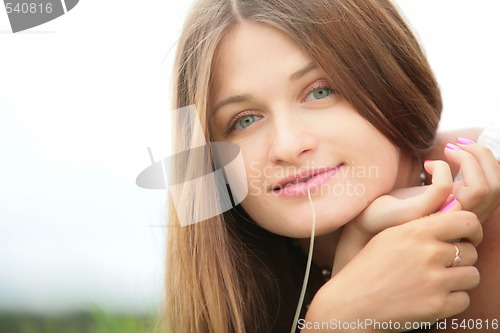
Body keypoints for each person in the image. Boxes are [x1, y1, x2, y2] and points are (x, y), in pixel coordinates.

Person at [163, 0, 500, 332]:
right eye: (245, 120)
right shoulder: (236, 289)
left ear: (393, 82)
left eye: (320, 92)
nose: (288, 146)